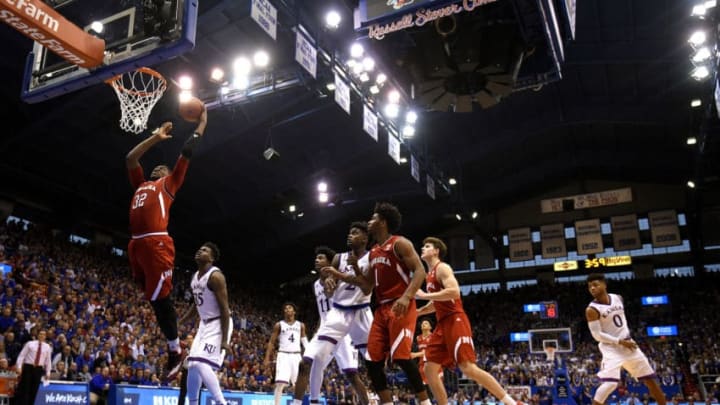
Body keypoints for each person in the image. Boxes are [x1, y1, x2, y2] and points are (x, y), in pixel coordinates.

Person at [125, 108, 208, 380]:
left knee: (161, 299)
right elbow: (130, 157)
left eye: (164, 167)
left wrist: (202, 123)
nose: (159, 168)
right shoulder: (141, 184)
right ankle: (173, 346)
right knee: (153, 299)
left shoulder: (169, 184)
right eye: (157, 167)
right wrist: (156, 138)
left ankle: (175, 349)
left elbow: (186, 151)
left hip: (156, 243)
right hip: (136, 245)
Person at [327, 202, 430, 405]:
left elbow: (420, 271)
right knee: (372, 362)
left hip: (401, 305)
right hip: (382, 309)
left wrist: (406, 297)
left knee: (401, 357)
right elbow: (367, 286)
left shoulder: (400, 243)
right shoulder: (373, 252)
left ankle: (425, 402)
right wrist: (352, 270)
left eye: (373, 219)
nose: (369, 222)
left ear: (383, 222)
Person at [415, 237, 524, 405]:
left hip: (455, 319)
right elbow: (436, 303)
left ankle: (511, 402)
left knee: (467, 367)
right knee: (429, 369)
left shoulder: (442, 268)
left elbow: (454, 292)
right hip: (442, 323)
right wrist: (418, 312)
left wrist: (424, 295)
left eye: (427, 246)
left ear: (436, 251)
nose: (423, 248)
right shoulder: (429, 275)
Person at [294, 224, 373, 405]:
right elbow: (323, 313)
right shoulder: (316, 285)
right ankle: (311, 401)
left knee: (352, 374)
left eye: (321, 258)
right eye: (316, 258)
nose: (317, 261)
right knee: (309, 363)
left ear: (330, 263)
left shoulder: (339, 275)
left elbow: (359, 290)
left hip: (344, 330)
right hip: (327, 327)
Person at [585, 273, 667, 405]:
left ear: (604, 285)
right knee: (610, 384)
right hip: (611, 347)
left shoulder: (618, 298)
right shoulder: (591, 309)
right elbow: (597, 335)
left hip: (629, 344)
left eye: (595, 285)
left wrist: (625, 340)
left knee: (650, 380)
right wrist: (620, 341)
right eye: (590, 287)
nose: (592, 288)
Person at [177, 243, 233, 405]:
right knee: (192, 364)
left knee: (201, 362)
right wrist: (180, 321)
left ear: (212, 258)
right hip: (204, 324)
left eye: (205, 250)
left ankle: (222, 403)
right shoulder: (194, 277)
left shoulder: (216, 277)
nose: (200, 251)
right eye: (199, 248)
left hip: (219, 322)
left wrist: (224, 340)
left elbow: (225, 310)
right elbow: (196, 306)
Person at [264, 302, 308, 405]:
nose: (287, 310)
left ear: (294, 311)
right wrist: (267, 358)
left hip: (296, 355)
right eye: (285, 309)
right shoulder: (279, 325)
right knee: (280, 383)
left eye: (290, 308)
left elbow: (304, 340)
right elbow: (271, 342)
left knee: (298, 384)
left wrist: (311, 353)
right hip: (283, 355)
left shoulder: (300, 325)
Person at [13, 329, 52, 405]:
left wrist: (48, 372)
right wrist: (19, 367)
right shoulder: (30, 344)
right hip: (28, 367)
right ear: (38, 335)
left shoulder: (47, 347)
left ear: (45, 337)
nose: (42, 335)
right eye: (40, 334)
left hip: (38, 369)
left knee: (34, 390)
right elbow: (21, 356)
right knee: (25, 389)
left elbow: (48, 361)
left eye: (43, 335)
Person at [411, 319, 443, 386]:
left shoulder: (433, 337)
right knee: (424, 389)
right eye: (422, 323)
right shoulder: (418, 338)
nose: (423, 324)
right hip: (422, 365)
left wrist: (415, 354)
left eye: (426, 323)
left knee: (435, 388)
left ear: (430, 327)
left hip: (433, 365)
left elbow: (429, 352)